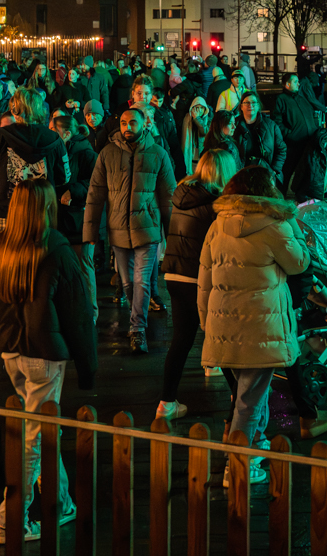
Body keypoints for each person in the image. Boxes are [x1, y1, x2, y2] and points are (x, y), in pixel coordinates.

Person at [0, 179, 97, 543]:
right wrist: (88, 367)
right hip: (44, 355)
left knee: (43, 427)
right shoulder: (58, 251)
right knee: (33, 437)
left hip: (9, 351)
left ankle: (60, 504)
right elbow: (78, 316)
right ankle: (9, 520)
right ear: (49, 208)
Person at [197, 165, 311, 485]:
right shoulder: (275, 225)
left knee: (249, 395)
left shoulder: (217, 225)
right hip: (261, 328)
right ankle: (238, 468)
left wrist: (207, 322)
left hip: (223, 326)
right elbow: (299, 262)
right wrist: (294, 227)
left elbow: (204, 278)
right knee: (249, 399)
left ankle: (255, 445)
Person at [83, 106, 177, 354]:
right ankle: (136, 321)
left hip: (148, 228)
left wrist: (172, 235)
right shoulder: (107, 154)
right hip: (118, 229)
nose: (127, 127)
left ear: (144, 123)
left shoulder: (158, 154)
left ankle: (138, 329)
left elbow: (169, 197)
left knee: (142, 280)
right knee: (127, 283)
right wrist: (91, 234)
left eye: (132, 123)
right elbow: (95, 195)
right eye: (123, 123)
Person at [157, 148, 233, 419]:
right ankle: (239, 394)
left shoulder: (183, 193)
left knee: (182, 340)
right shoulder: (215, 202)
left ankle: (166, 404)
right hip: (196, 276)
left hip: (173, 274)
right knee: (219, 334)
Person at [233, 93, 286, 179]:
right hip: (242, 175)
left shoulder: (271, 126)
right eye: (247, 102)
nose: (250, 105)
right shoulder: (234, 126)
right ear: (241, 106)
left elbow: (281, 149)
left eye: (254, 102)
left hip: (266, 174)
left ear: (258, 106)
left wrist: (274, 170)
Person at [178, 96, 214, 176]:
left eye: (202, 108)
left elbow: (205, 131)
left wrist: (197, 118)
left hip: (203, 153)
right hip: (191, 153)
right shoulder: (187, 118)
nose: (199, 110)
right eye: (197, 108)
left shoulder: (209, 119)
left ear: (205, 108)